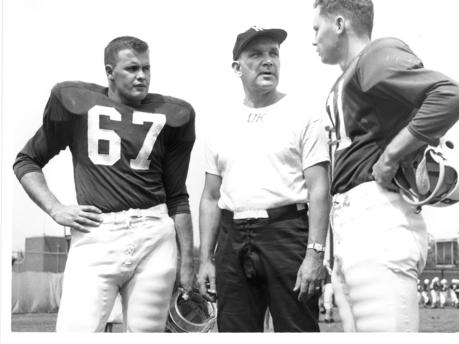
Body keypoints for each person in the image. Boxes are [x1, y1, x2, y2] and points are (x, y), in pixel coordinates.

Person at [312, 0, 459, 332]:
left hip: (378, 217)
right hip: (351, 221)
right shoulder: (346, 77)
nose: (313, 38)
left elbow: (450, 95)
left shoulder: (374, 55)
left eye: (316, 27)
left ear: (339, 23)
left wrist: (391, 156)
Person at [13, 36, 196, 332]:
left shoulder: (174, 114)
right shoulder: (75, 102)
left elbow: (177, 196)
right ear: (109, 71)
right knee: (76, 332)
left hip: (154, 231)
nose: (142, 76)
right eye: (132, 68)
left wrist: (188, 262)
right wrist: (55, 208)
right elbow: (26, 161)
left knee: (147, 334)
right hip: (98, 230)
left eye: (146, 68)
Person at [197, 26, 331, 332]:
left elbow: (319, 189)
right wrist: (205, 259)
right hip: (232, 238)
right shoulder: (219, 122)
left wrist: (315, 253)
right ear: (237, 67)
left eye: (273, 53)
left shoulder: (303, 113)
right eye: (256, 54)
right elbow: (210, 196)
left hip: (286, 233)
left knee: (297, 331)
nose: (267, 61)